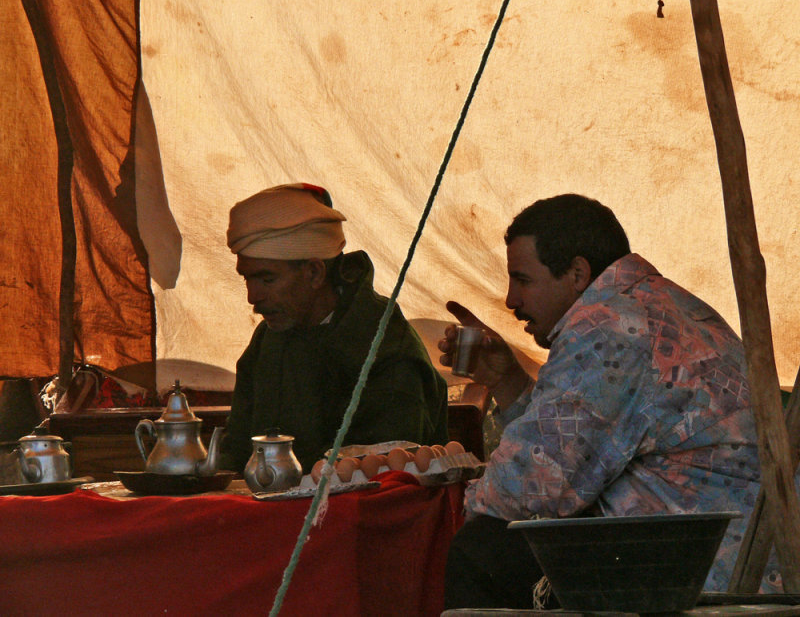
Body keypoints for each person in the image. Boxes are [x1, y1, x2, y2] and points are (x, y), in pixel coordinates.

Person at [439, 193, 784, 609]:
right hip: (743, 548)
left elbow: (531, 484)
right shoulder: (656, 302)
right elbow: (575, 444)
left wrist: (449, 504)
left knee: (481, 552)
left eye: (523, 279)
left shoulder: (611, 325)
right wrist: (507, 380)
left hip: (717, 571)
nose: (511, 300)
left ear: (578, 274)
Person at [218, 183, 448, 475]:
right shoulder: (268, 340)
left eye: (266, 279)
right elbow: (238, 449)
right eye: (246, 279)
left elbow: (385, 473)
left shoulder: (387, 347)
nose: (253, 296)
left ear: (314, 272)